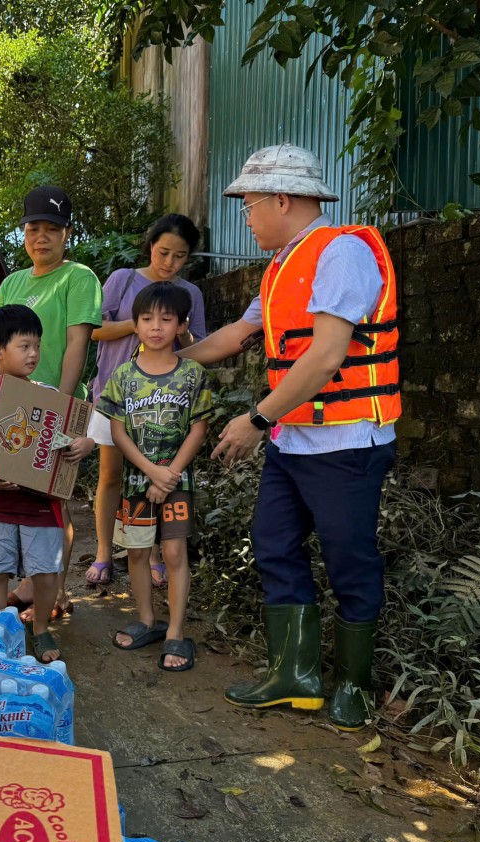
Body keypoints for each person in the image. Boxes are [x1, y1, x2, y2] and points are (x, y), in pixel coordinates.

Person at [179, 143, 400, 730]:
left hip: (346, 442)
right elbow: (236, 334)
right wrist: (166, 363)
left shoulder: (342, 252)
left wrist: (256, 420)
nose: (246, 218)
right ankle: (295, 675)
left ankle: (353, 684)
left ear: (282, 199)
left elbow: (326, 356)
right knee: (274, 543)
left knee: (349, 558)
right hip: (295, 440)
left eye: (249, 205)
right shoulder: (282, 267)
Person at [0, 186, 102, 621]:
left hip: (55, 411)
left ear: (66, 233)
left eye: (51, 228)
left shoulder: (79, 278)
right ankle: (33, 586)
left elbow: (77, 345)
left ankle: (53, 592)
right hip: (15, 411)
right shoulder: (12, 283)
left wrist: (63, 408)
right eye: (33, 228)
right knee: (22, 503)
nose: (41, 237)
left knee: (54, 505)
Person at [0, 306, 96, 664]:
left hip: (41, 506)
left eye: (37, 345)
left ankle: (39, 629)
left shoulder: (50, 397)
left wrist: (86, 444)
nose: (33, 354)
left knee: (46, 572)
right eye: (24, 346)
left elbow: (79, 433)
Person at [87, 214, 207, 589]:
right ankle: (104, 552)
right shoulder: (123, 279)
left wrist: (179, 333)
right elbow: (94, 330)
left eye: (179, 256)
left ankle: (151, 554)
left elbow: (199, 348)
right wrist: (140, 322)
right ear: (151, 245)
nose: (169, 262)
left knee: (153, 476)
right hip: (113, 393)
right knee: (111, 475)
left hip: (162, 404)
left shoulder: (190, 294)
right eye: (163, 251)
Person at [97, 283, 212, 672]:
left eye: (166, 319)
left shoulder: (193, 374)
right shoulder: (123, 377)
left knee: (174, 553)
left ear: (182, 325)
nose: (156, 326)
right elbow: (117, 431)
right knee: (137, 553)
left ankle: (176, 631)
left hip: (178, 484)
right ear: (136, 324)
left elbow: (199, 428)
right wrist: (151, 471)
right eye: (147, 319)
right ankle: (147, 620)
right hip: (136, 484)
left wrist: (170, 474)